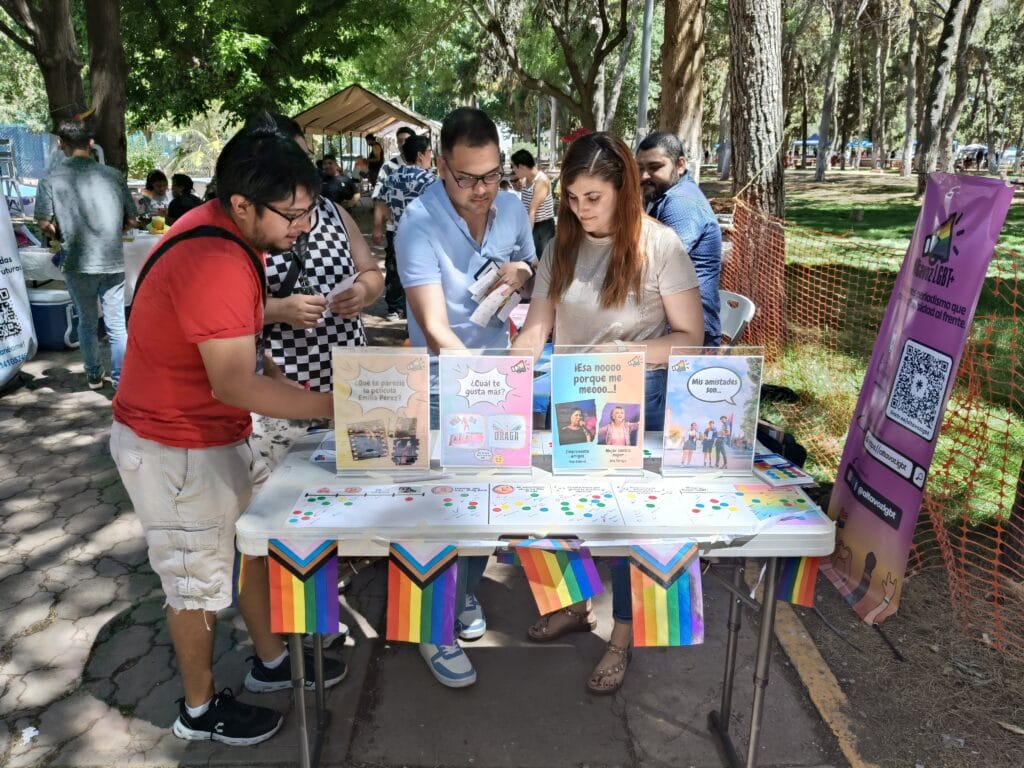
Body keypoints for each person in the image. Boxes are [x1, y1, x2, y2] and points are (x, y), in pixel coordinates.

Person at [110, 114, 346, 747]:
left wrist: (280, 378)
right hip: (173, 445)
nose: (303, 227)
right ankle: (198, 710)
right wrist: (334, 407)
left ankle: (271, 661)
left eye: (308, 211)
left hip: (211, 432)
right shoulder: (215, 258)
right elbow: (234, 383)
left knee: (251, 545)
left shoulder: (228, 232)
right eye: (292, 215)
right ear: (242, 203)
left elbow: (231, 334)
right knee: (194, 582)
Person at [511, 131, 703, 694]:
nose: (581, 209)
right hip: (573, 397)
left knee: (625, 525)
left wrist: (627, 354)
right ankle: (573, 605)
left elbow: (691, 338)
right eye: (572, 198)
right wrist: (498, 381)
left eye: (593, 197)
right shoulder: (561, 245)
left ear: (625, 189)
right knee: (556, 507)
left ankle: (621, 634)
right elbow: (536, 330)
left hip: (634, 401)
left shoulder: (661, 245)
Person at [396, 106, 535, 688]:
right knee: (438, 510)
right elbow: (434, 327)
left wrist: (521, 273)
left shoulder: (511, 206)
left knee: (486, 505)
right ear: (439, 168)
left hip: (495, 372)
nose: (482, 190)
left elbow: (531, 263)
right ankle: (433, 628)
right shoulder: (417, 224)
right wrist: (479, 385)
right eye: (466, 179)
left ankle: (466, 590)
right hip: (437, 382)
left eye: (492, 175)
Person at [260, 113, 384, 393]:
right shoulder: (250, 225)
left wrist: (362, 292)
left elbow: (372, 273)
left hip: (350, 376)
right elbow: (223, 315)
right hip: (281, 386)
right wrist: (279, 310)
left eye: (304, 157)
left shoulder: (332, 211)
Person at [34, 118, 136, 390]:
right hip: (112, 261)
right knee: (117, 325)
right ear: (91, 143)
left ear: (60, 144)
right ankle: (121, 381)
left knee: (87, 323)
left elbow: (43, 222)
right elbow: (131, 219)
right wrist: (113, 232)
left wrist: (60, 235)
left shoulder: (50, 179)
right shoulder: (113, 175)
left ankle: (93, 375)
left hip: (77, 261)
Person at [636, 131, 723, 346]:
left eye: (655, 167)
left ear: (680, 165)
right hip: (669, 326)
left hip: (688, 336)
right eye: (639, 168)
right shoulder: (663, 195)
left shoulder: (681, 203)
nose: (644, 176)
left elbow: (652, 265)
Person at [373, 126, 418, 320]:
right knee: (394, 267)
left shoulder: (423, 165)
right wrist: (378, 227)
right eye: (399, 141)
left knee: (416, 267)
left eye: (406, 140)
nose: (402, 144)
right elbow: (379, 199)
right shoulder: (389, 167)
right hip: (395, 228)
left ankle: (411, 308)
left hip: (419, 230)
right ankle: (394, 306)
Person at [511, 148, 556, 263]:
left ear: (521, 167)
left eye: (514, 167)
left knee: (543, 261)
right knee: (531, 261)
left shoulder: (541, 181)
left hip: (543, 227)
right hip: (531, 223)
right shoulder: (526, 180)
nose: (514, 170)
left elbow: (532, 210)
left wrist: (527, 236)